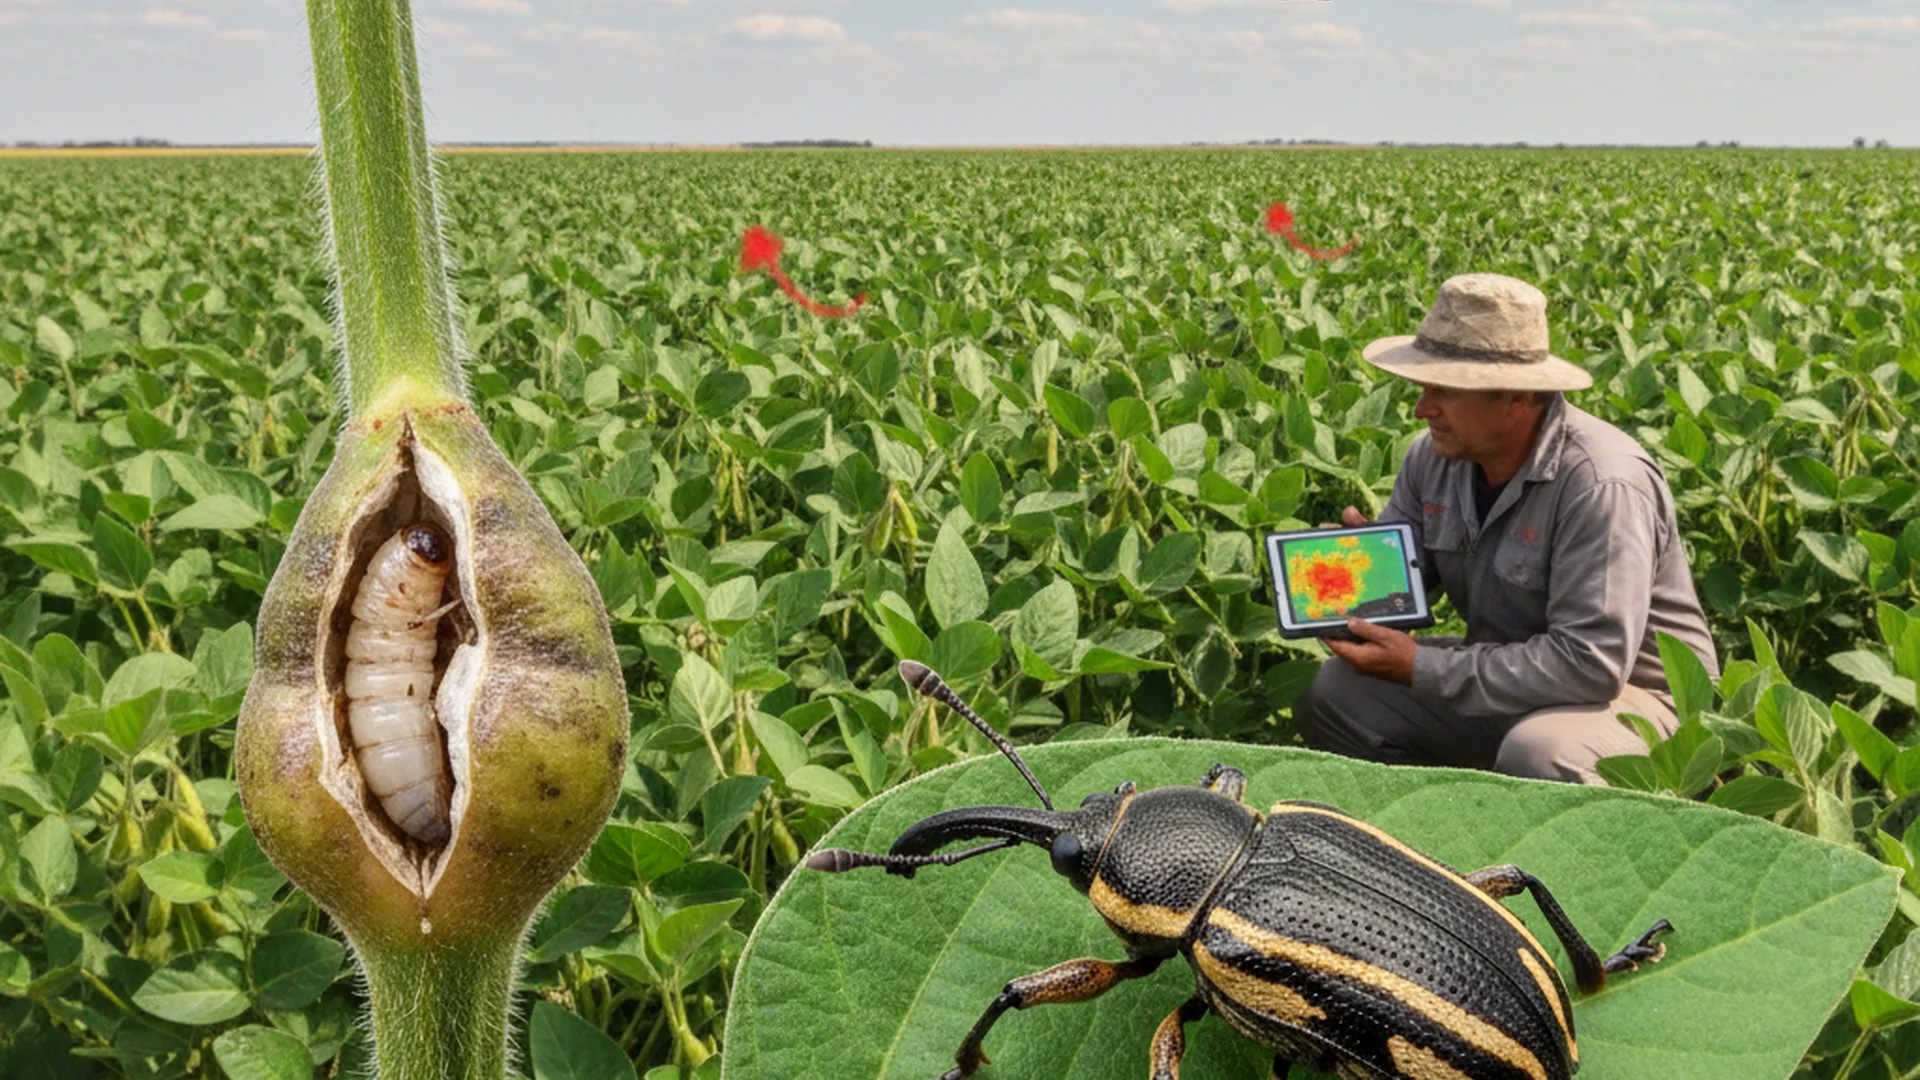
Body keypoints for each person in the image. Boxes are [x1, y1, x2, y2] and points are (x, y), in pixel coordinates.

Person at [1291, 273, 1720, 784]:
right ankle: (1447, 830)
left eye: (1443, 390)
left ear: (1516, 399)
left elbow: (1591, 666)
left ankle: (1557, 852)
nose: (1422, 407)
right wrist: (1357, 575)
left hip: (1639, 701)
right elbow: (1403, 592)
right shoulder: (1433, 456)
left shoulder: (1603, 483)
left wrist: (1421, 667)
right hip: (1511, 683)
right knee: (1334, 695)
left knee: (1540, 754)